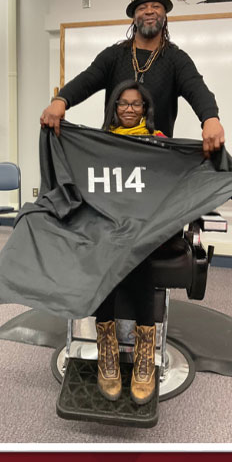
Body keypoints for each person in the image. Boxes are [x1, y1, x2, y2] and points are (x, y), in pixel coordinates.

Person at [40, 0, 226, 157]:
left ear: (164, 15)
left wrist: (210, 119)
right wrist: (60, 100)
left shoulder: (176, 59)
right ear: (134, 17)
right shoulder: (114, 55)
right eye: (142, 7)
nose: (149, 11)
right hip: (114, 153)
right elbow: (87, 80)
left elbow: (197, 89)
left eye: (156, 6)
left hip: (158, 158)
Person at [93, 80, 167, 405]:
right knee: (105, 258)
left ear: (145, 110)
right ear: (114, 107)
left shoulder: (159, 142)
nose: (129, 109)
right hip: (109, 227)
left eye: (136, 104)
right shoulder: (97, 142)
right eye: (123, 103)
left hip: (143, 230)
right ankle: (106, 349)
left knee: (139, 257)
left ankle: (144, 357)